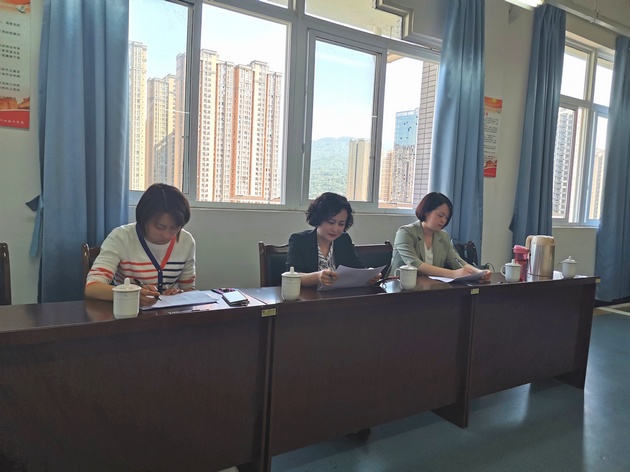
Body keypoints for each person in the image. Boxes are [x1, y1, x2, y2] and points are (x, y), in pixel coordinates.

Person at [85, 183, 196, 307]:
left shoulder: (186, 241)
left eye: (174, 228)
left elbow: (188, 289)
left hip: (167, 313)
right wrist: (131, 294)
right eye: (160, 227)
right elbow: (92, 288)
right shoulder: (121, 237)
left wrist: (177, 294)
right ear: (144, 218)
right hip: (127, 312)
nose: (166, 235)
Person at [389, 192, 490, 280]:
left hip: (430, 287)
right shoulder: (406, 232)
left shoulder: (443, 236)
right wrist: (453, 274)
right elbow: (415, 264)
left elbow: (457, 261)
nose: (443, 221)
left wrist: (480, 273)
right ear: (426, 212)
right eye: (440, 215)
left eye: (446, 217)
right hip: (400, 286)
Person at [286, 192, 380, 287]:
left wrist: (370, 274)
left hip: (339, 294)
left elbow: (357, 268)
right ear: (318, 219)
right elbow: (291, 275)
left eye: (341, 224)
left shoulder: (343, 239)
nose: (335, 229)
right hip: (309, 295)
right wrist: (317, 277)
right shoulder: (299, 240)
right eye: (331, 222)